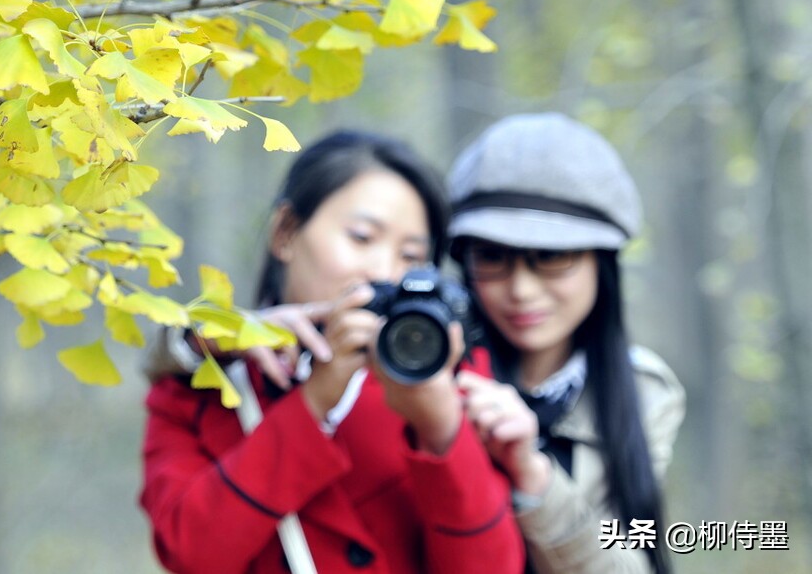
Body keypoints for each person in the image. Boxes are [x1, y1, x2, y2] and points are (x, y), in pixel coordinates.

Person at [139, 131, 525, 574]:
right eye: (361, 237)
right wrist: (312, 404)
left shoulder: (449, 378)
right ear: (285, 232)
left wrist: (441, 430)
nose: (382, 270)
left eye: (411, 256)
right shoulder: (204, 385)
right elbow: (190, 552)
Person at [446, 113, 685, 574]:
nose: (521, 290)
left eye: (552, 257)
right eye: (492, 256)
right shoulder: (430, 372)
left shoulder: (645, 391)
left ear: (603, 263)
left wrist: (533, 475)